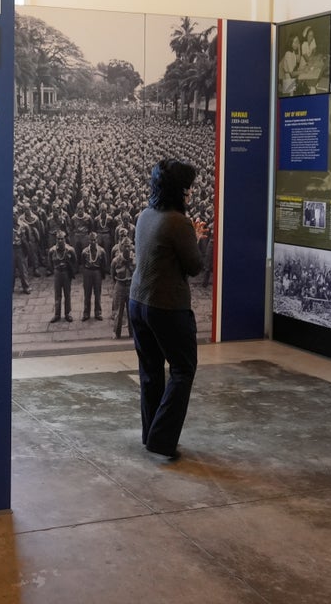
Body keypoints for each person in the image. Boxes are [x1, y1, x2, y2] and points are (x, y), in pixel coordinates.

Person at [128, 159, 203, 460]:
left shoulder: (145, 215)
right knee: (183, 370)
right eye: (188, 189)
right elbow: (195, 267)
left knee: (150, 371)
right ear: (179, 190)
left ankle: (151, 435)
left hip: (138, 302)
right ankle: (162, 439)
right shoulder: (178, 221)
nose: (191, 194)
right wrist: (195, 238)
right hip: (167, 306)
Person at [47, 230, 77, 324]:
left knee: (67, 294)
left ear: (65, 239)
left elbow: (75, 261)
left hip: (66, 273)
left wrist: (70, 270)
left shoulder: (70, 250)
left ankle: (68, 313)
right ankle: (57, 314)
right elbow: (49, 263)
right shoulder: (52, 250)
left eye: (62, 239)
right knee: (57, 294)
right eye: (58, 239)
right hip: (57, 273)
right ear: (56, 239)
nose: (60, 241)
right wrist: (55, 270)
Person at [109, 239, 135, 339]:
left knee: (131, 311)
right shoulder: (116, 260)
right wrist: (116, 285)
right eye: (125, 246)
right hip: (120, 284)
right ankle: (116, 333)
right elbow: (112, 274)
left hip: (130, 286)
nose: (127, 248)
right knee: (118, 311)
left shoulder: (135, 259)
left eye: (129, 246)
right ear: (121, 247)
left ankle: (132, 333)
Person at [79, 231, 106, 321]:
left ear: (97, 240)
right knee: (87, 293)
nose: (93, 242)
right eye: (91, 240)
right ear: (89, 241)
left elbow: (104, 264)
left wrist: (101, 274)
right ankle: (86, 313)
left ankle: (98, 312)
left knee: (97, 293)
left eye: (94, 240)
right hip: (88, 272)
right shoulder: (84, 252)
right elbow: (82, 263)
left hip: (97, 272)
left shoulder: (101, 251)